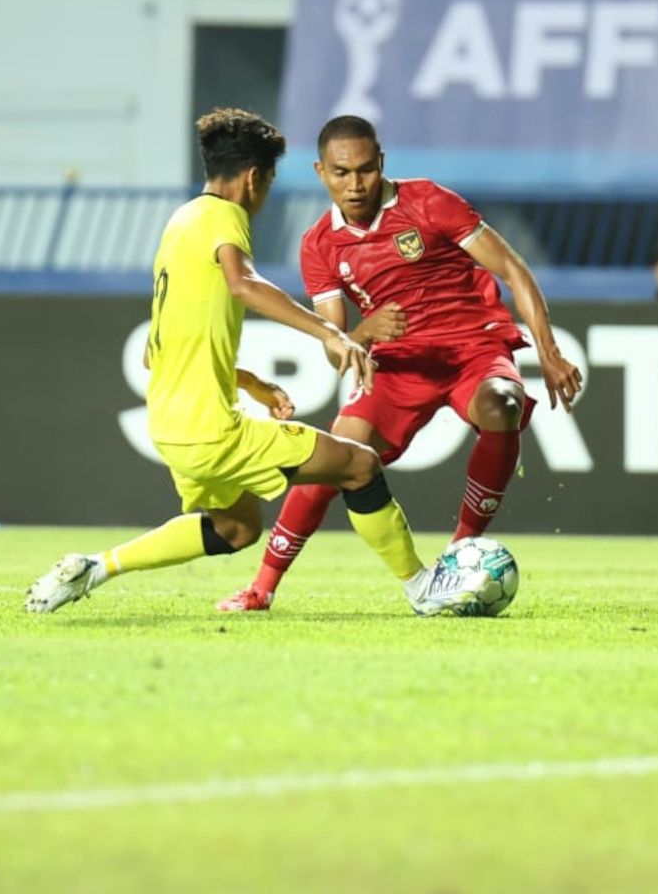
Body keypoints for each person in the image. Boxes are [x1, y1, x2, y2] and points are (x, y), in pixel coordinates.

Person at [26, 109, 492, 618]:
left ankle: (94, 567)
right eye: (268, 183)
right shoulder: (225, 217)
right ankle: (423, 587)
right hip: (210, 430)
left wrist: (250, 382)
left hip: (170, 424)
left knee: (236, 528)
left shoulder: (180, 222)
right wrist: (330, 332)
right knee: (359, 465)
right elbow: (243, 283)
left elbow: (154, 350)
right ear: (254, 178)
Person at [216, 115, 584, 613]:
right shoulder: (319, 244)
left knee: (502, 404)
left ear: (381, 163)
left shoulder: (429, 201)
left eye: (366, 170)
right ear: (321, 172)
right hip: (398, 364)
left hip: (473, 347)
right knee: (334, 457)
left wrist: (549, 352)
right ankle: (262, 586)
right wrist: (364, 333)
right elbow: (335, 344)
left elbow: (512, 268)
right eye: (342, 173)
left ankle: (460, 550)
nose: (355, 184)